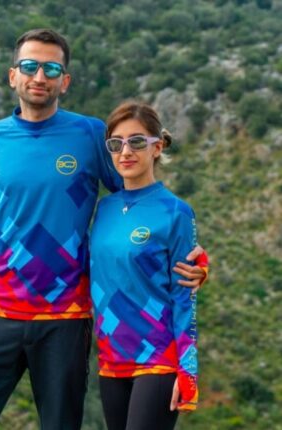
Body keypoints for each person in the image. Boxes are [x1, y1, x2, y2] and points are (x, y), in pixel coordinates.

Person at [0, 29, 207, 430]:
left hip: (65, 319)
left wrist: (190, 257)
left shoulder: (89, 135)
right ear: (13, 75)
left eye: (51, 69)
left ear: (64, 81)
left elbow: (135, 202)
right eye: (30, 66)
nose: (39, 76)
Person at [90, 101, 205, 430]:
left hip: (157, 359)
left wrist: (188, 369)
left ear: (157, 147)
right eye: (116, 144)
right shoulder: (105, 209)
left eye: (137, 141)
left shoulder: (175, 212)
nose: (126, 151)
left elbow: (184, 295)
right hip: (111, 361)